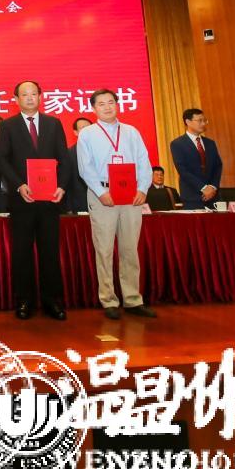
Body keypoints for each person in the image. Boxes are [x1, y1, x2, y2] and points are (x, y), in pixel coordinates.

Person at [77, 88, 156, 320]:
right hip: (102, 194)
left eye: (111, 102)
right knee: (104, 249)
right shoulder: (87, 134)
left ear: (117, 104)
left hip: (131, 193)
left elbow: (144, 162)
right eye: (101, 104)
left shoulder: (131, 131)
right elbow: (85, 167)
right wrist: (101, 192)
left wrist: (143, 189)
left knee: (130, 248)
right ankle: (109, 299)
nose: (107, 107)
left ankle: (132, 299)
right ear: (94, 109)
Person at [0, 80, 71, 321]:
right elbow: (2, 160)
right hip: (22, 200)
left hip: (50, 199)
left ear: (40, 97)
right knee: (22, 252)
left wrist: (61, 186)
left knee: (50, 251)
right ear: (16, 99)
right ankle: (24, 300)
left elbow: (64, 159)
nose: (29, 98)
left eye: (33, 94)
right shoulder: (8, 126)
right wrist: (19, 185)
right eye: (24, 95)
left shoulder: (53, 123)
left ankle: (52, 301)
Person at [170, 108, 222, 209]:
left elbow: (218, 166)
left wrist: (212, 187)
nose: (203, 123)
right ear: (188, 122)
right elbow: (183, 170)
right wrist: (203, 188)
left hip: (213, 197)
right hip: (192, 197)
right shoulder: (177, 144)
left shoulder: (210, 143)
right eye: (199, 120)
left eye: (204, 120)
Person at [65, 117, 92, 213]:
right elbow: (66, 183)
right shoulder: (68, 154)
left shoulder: (103, 151)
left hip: (103, 203)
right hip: (78, 205)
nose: (87, 131)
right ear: (76, 132)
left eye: (90, 128)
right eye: (83, 128)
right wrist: (68, 208)